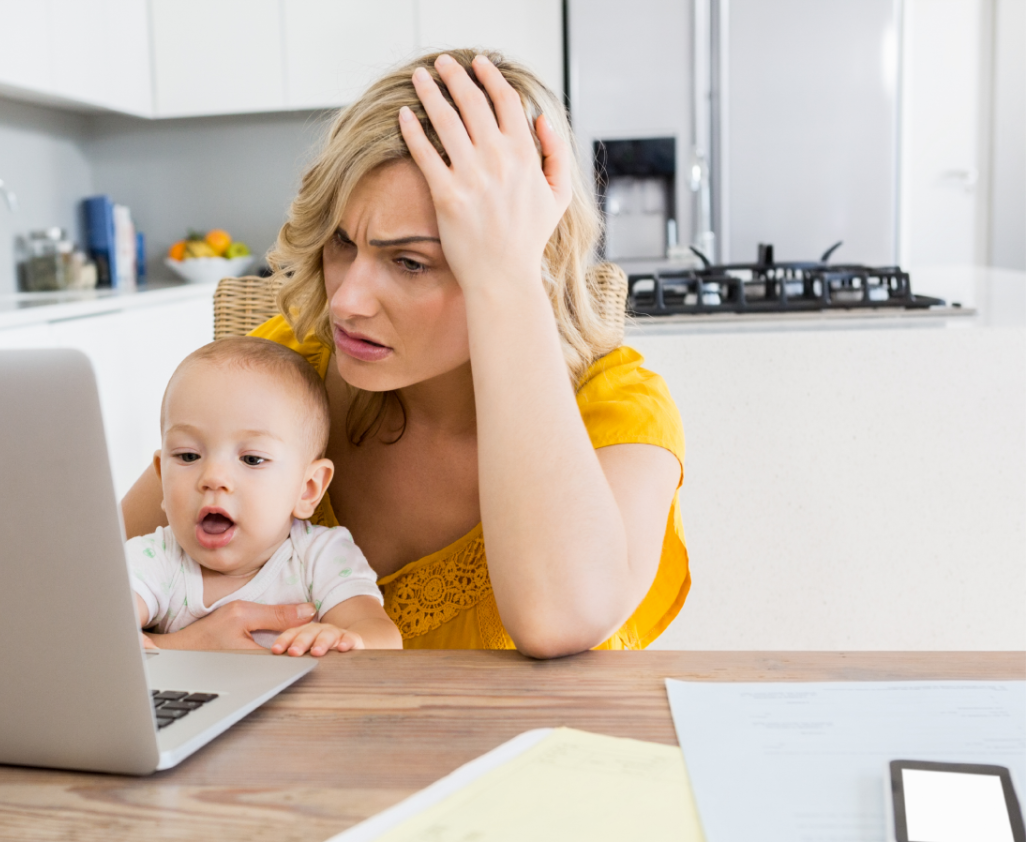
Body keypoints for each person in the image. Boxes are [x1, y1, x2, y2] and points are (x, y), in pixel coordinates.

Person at [123, 49, 687, 658]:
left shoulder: (617, 409)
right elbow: (76, 589)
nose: (346, 300)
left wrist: (506, 280)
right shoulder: (278, 377)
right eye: (343, 242)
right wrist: (182, 647)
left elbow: (559, 619)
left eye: (410, 261)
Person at [126, 337, 402, 657]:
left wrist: (347, 639)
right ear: (161, 478)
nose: (213, 478)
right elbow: (93, 631)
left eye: (252, 459)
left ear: (308, 488)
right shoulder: (155, 559)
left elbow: (383, 635)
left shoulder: (319, 557)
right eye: (188, 456)